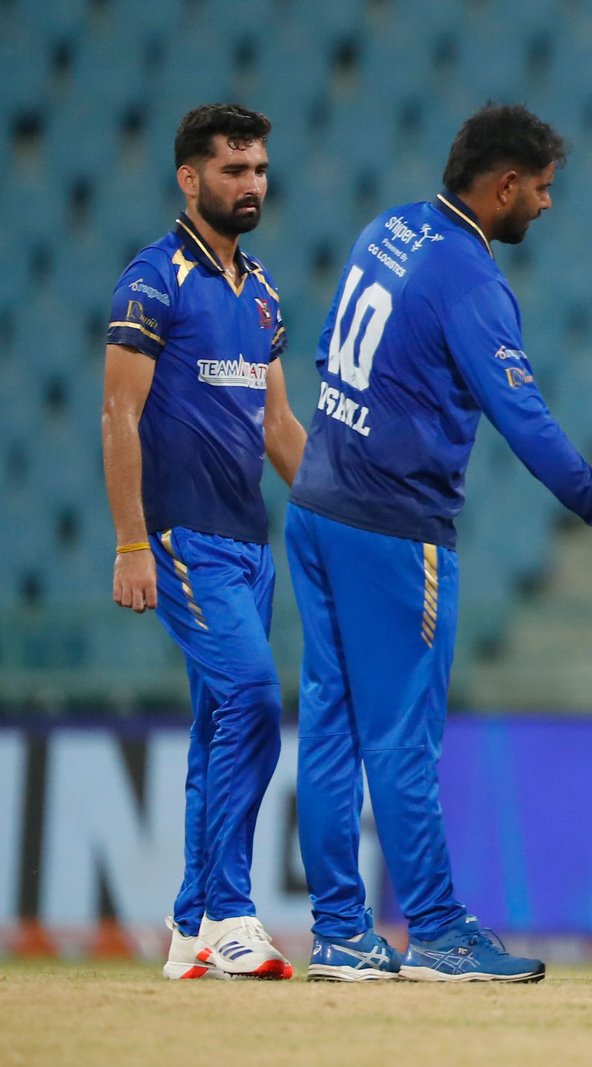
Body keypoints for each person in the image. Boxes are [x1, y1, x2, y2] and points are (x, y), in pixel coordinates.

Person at [286, 104, 592, 983]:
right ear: (504, 184)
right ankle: (434, 931)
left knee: (329, 725)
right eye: (540, 189)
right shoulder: (469, 278)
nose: (544, 205)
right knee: (399, 734)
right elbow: (526, 421)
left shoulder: (388, 228)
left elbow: (326, 355)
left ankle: (341, 932)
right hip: (392, 529)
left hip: (317, 503)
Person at [102, 103, 305, 980]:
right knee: (256, 698)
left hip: (249, 542)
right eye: (233, 169)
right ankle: (231, 911)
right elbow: (119, 411)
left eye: (258, 168)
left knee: (221, 723)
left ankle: (189, 928)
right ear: (190, 178)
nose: (251, 183)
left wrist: (352, 512)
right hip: (184, 537)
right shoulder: (153, 280)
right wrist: (132, 542)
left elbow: (281, 424)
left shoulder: (258, 290)